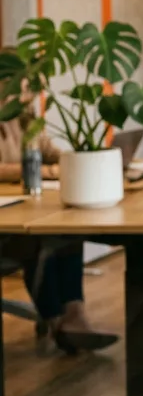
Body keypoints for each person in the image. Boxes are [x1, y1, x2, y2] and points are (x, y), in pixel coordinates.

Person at [0, 97, 118, 353]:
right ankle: (55, 320)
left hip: (19, 210)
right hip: (5, 227)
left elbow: (51, 153)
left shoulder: (27, 121)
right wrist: (50, 171)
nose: (25, 92)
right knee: (37, 239)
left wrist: (82, 157)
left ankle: (75, 314)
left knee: (68, 229)